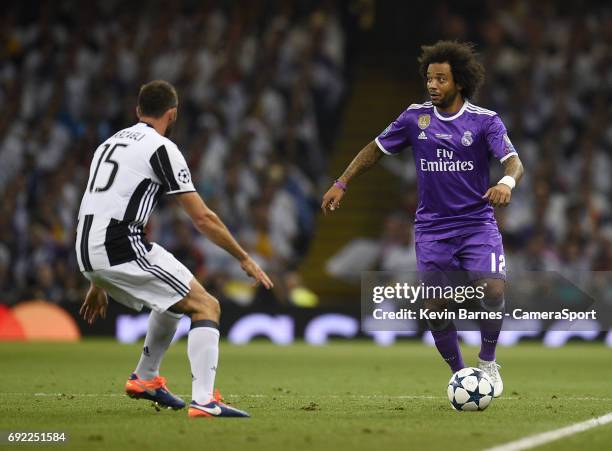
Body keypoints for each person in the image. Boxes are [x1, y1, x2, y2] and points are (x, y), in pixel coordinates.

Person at [321, 41, 524, 397]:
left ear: (458, 82)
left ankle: (488, 362)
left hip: (477, 224)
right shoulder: (415, 118)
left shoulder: (484, 121)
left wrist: (506, 182)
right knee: (434, 304)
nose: (432, 85)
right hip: (432, 230)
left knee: (492, 288)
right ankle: (461, 376)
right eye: (429, 78)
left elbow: (513, 161)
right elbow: (375, 150)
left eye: (441, 79)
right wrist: (342, 182)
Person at [76, 80, 273, 417]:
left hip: (87, 247)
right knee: (206, 305)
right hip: (119, 245)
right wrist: (244, 258)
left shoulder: (108, 144)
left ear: (138, 111)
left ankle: (145, 378)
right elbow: (203, 218)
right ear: (173, 114)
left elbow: (102, 203)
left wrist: (97, 279)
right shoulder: (161, 148)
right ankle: (205, 401)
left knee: (171, 301)